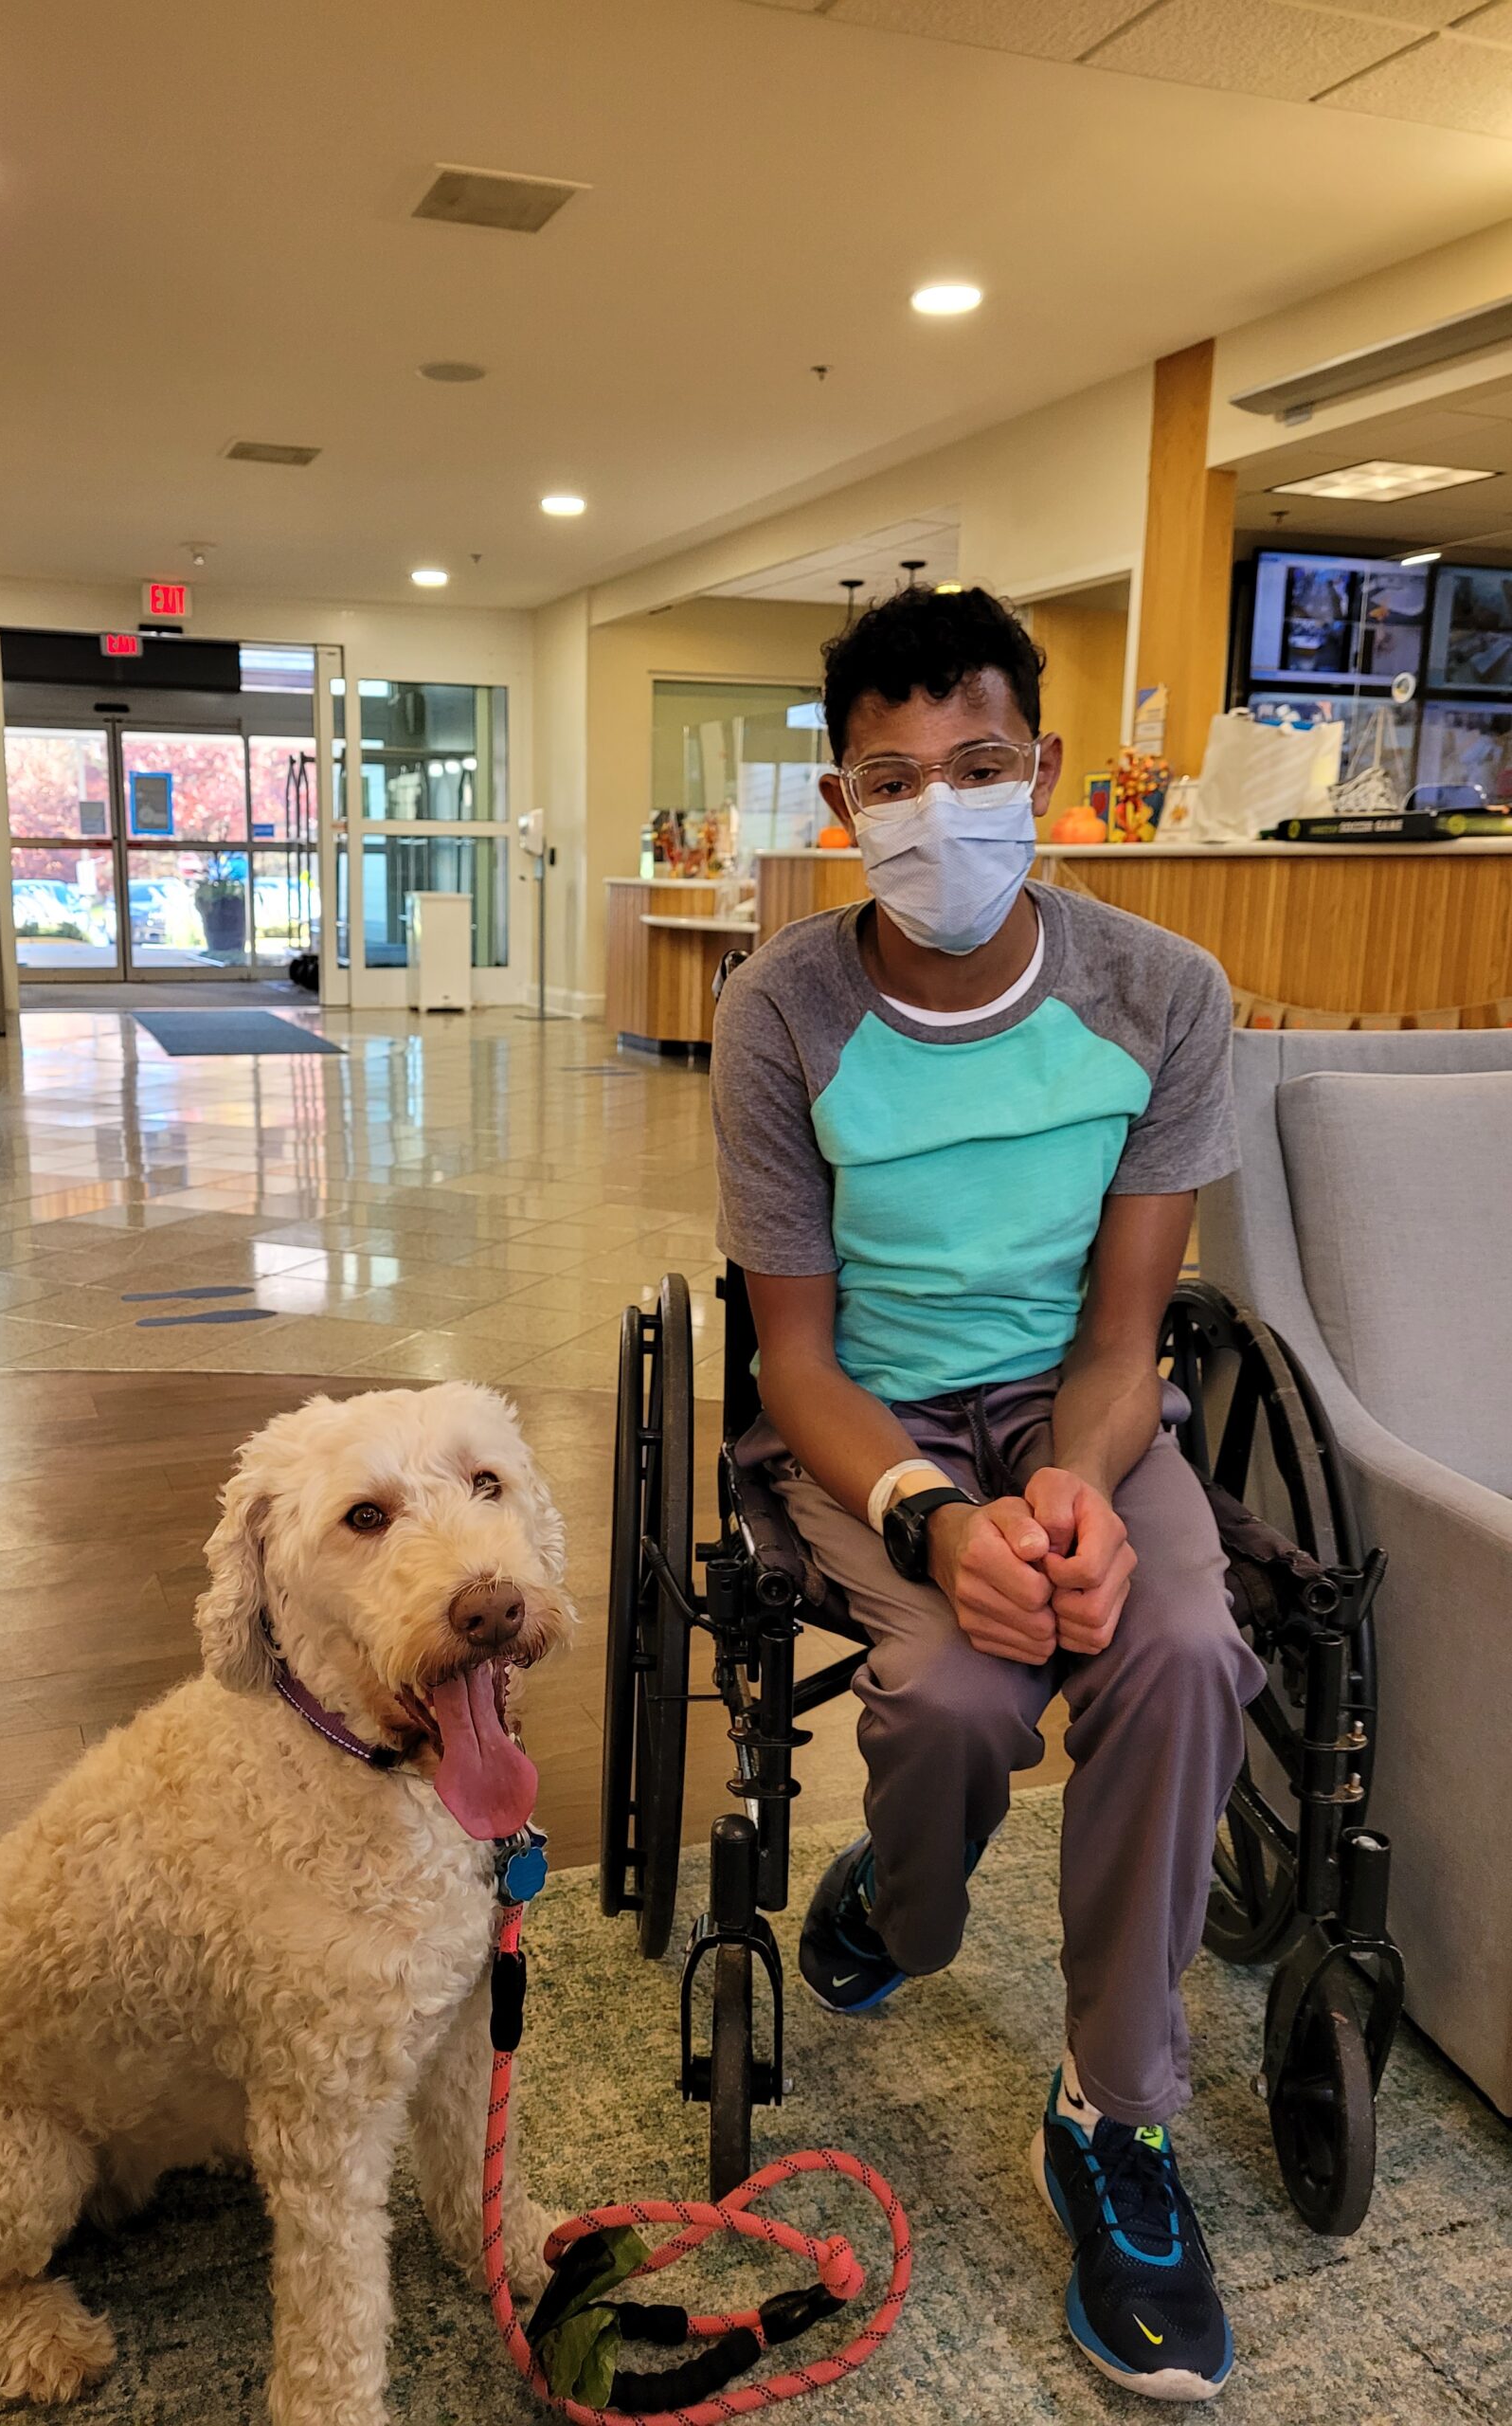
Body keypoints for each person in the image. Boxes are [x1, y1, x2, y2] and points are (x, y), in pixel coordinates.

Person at [711, 585, 1264, 2404]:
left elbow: (1127, 1335)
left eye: (979, 764)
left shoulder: (1162, 996)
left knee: (1180, 1647)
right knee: (950, 1692)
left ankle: (1114, 2113)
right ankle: (912, 1901)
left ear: (1041, 770)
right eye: (894, 775)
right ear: (839, 799)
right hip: (874, 1413)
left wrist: (1082, 1498)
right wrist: (940, 1523)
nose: (939, 808)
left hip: (1080, 1403)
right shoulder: (781, 1009)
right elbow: (794, 1359)